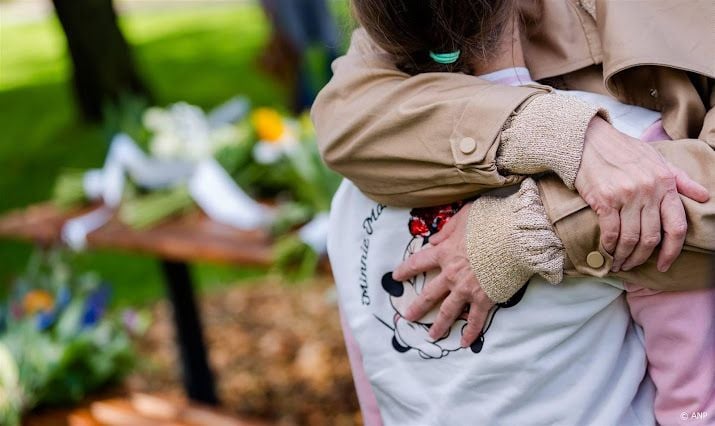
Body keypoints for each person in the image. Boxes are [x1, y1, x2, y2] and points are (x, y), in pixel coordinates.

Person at [318, 1, 715, 424]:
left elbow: (375, 377)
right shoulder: (634, 164)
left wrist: (526, 229)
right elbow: (692, 398)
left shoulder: (353, 190)